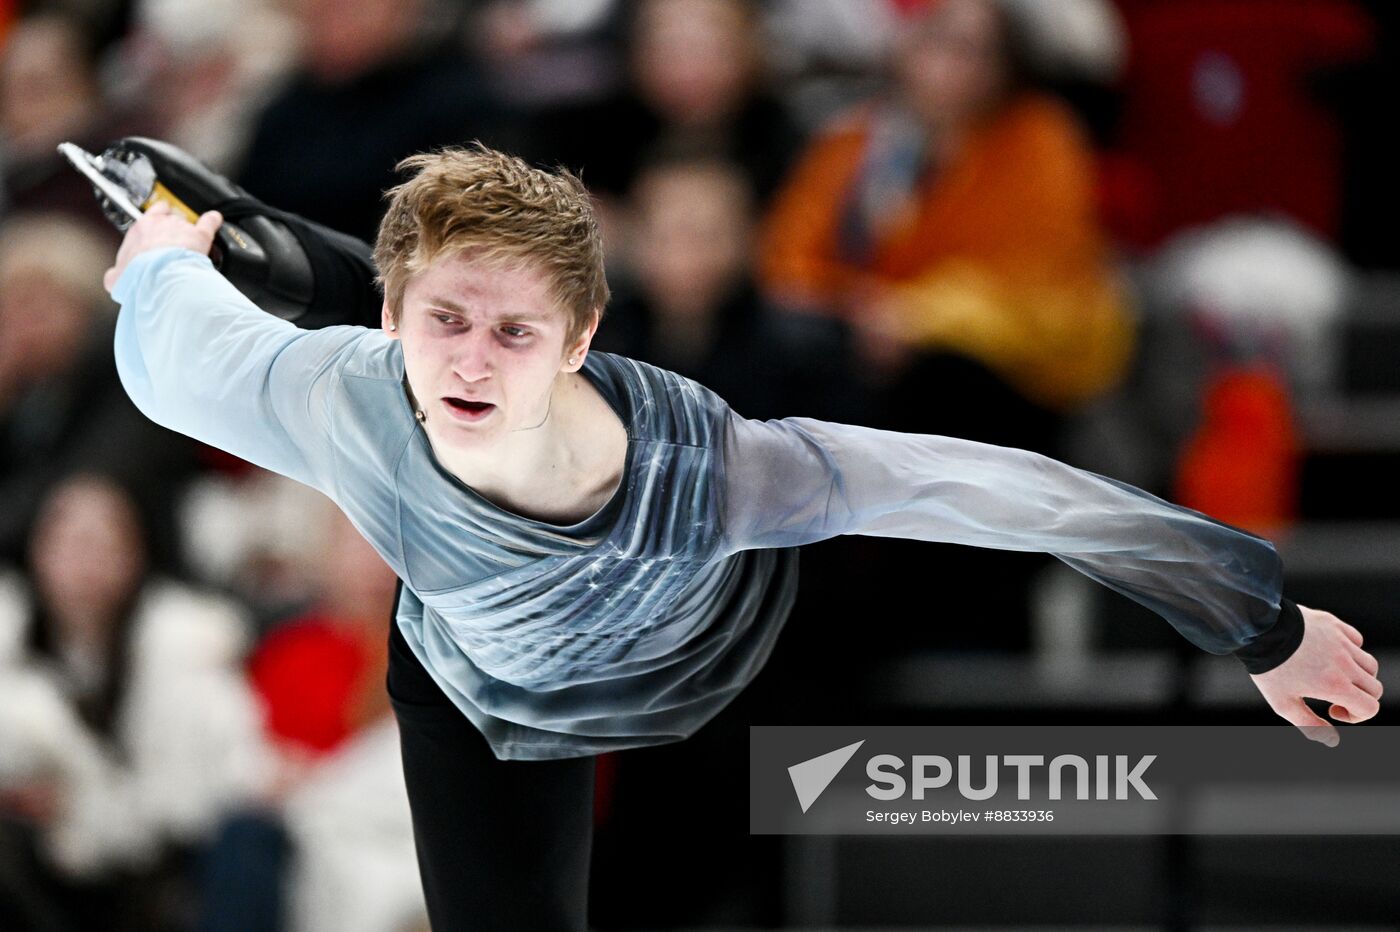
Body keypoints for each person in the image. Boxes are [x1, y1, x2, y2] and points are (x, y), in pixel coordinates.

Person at [100, 144, 1380, 931]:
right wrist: (164, 255)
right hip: (474, 683)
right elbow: (173, 360)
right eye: (441, 321)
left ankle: (294, 252)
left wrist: (1256, 622)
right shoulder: (344, 393)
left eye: (517, 333)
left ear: (586, 336)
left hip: (703, 636)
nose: (473, 365)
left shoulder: (720, 474)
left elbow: (1010, 493)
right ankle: (274, 245)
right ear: (388, 315)